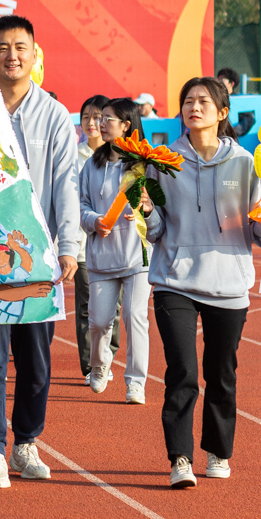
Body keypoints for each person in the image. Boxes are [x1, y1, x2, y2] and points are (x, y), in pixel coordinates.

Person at [142, 77, 261, 487]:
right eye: (188, 101)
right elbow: (155, 230)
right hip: (175, 280)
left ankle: (218, 451)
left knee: (221, 373)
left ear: (222, 113)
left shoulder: (245, 163)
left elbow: (260, 232)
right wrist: (146, 209)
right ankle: (180, 459)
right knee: (182, 371)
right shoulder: (162, 162)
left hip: (229, 282)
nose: (194, 107)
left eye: (204, 101)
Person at [0, 16, 79, 489]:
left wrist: (69, 245)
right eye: (3, 47)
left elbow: (66, 184)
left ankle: (26, 441)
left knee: (35, 359)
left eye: (21, 47)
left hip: (39, 257)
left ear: (35, 54)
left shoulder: (54, 115)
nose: (12, 55)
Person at [79, 98, 150, 404]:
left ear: (127, 125)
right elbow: (80, 205)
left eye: (109, 118)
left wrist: (147, 209)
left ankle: (136, 381)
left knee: (135, 317)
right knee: (98, 321)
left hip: (137, 256)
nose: (101, 123)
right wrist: (93, 221)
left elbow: (159, 203)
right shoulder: (92, 164)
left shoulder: (145, 165)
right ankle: (99, 364)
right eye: (101, 118)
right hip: (102, 256)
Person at [72, 95, 117, 383]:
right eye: (86, 117)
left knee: (116, 306)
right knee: (88, 305)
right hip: (83, 244)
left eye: (98, 117)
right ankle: (91, 364)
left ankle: (108, 356)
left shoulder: (121, 157)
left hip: (119, 245)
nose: (92, 123)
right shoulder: (73, 157)